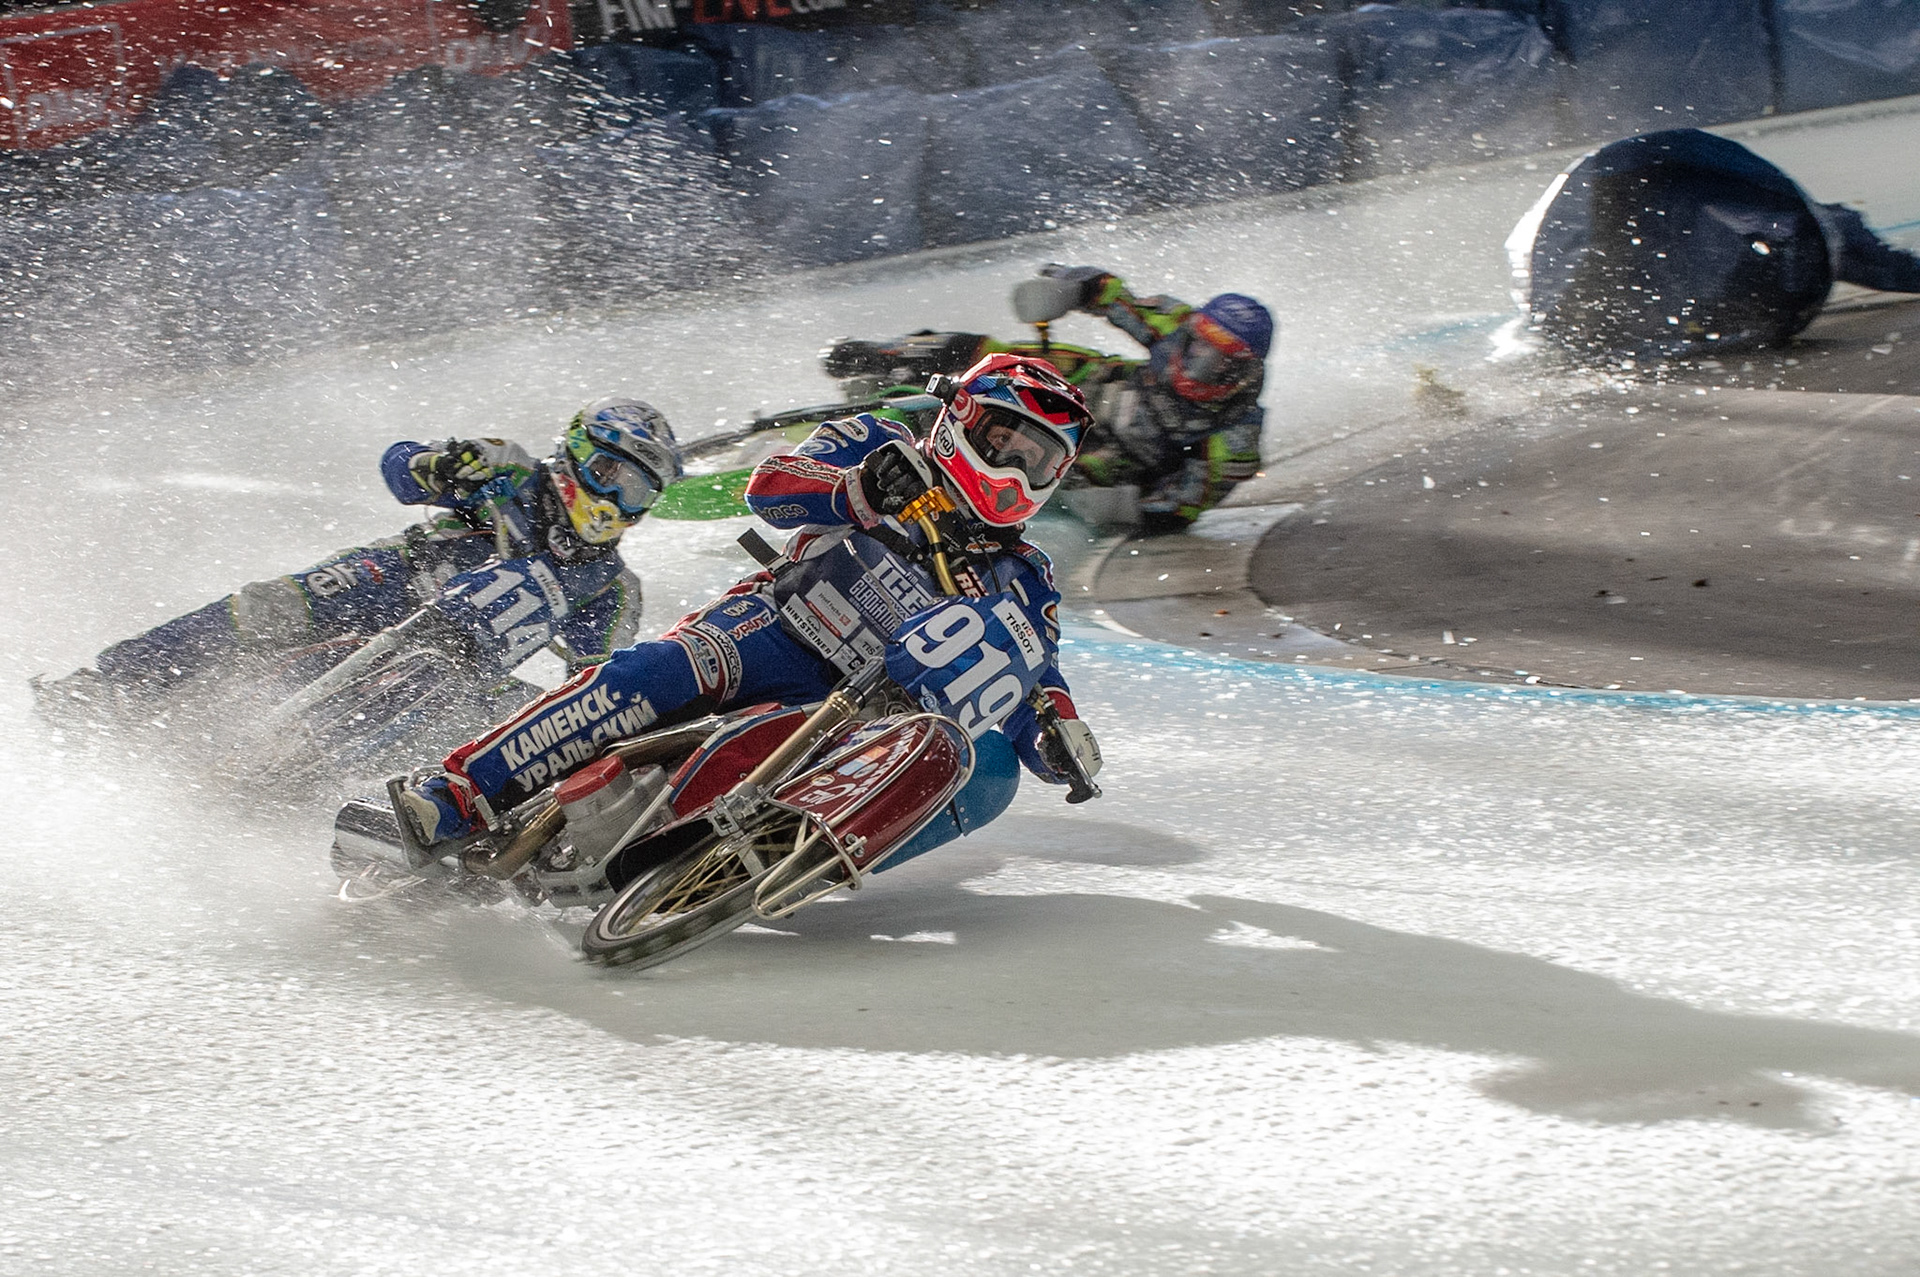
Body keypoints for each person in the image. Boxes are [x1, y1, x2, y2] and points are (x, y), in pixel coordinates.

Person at [396, 353, 1105, 863]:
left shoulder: (1025, 574)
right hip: (777, 623)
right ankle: (454, 796)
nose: (1014, 468)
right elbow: (771, 485)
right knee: (646, 678)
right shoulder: (884, 443)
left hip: (865, 708)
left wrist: (1058, 736)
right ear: (961, 423)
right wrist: (858, 491)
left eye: (1037, 460)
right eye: (1002, 440)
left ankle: (772, 864)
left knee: (973, 768)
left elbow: (1030, 674)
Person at [34, 396, 684, 723]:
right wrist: (437, 464)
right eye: (609, 474)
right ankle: (109, 684)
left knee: (510, 720)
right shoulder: (512, 468)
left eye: (637, 490)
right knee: (270, 606)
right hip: (390, 582)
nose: (616, 500)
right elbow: (401, 470)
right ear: (573, 453)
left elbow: (590, 686)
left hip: (460, 665)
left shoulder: (614, 589)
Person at [822, 267, 1274, 533]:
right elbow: (1110, 294)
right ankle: (887, 357)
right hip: (1100, 382)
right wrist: (1064, 285)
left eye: (1216, 363)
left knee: (1052, 466)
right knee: (998, 356)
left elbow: (1181, 506)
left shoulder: (1236, 440)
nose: (1193, 366)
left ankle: (965, 467)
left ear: (1243, 371)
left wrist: (1125, 507)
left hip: (1117, 457)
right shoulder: (1175, 324)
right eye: (1196, 346)